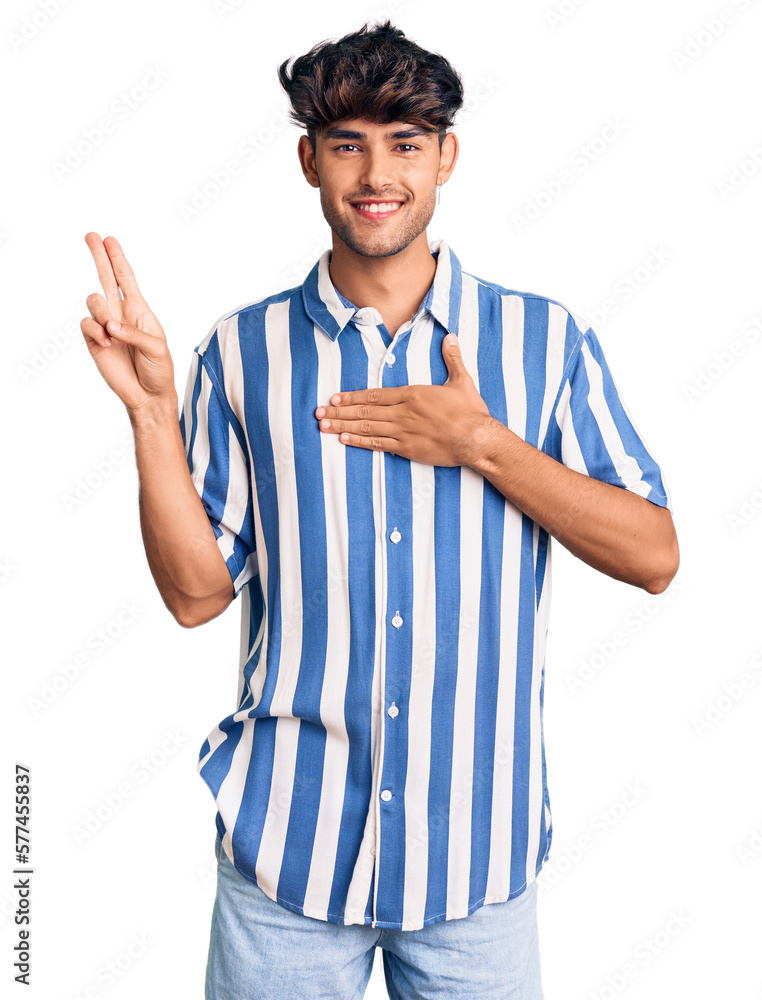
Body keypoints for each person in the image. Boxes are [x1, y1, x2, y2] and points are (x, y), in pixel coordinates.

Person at [80, 18, 679, 1000]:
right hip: (287, 862)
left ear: (447, 157)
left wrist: (482, 443)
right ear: (309, 159)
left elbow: (655, 553)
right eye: (349, 142)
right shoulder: (242, 354)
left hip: (476, 873)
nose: (376, 172)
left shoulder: (544, 340)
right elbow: (196, 597)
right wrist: (151, 412)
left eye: (405, 142)